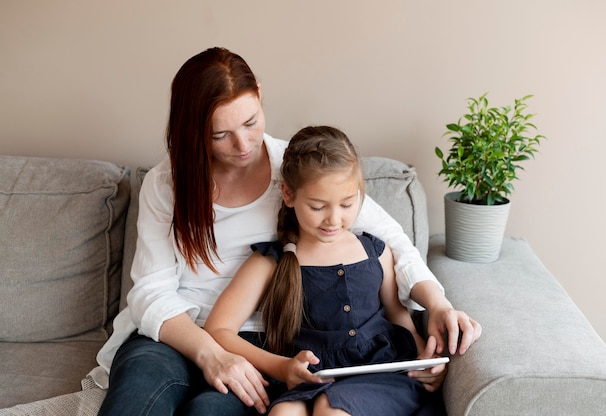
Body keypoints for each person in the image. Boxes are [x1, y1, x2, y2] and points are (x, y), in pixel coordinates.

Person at [93, 47, 481, 416]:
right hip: (174, 335)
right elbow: (151, 293)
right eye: (219, 135)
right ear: (193, 130)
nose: (243, 144)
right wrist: (211, 353)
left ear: (260, 96)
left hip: (259, 343)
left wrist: (438, 305)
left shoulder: (298, 172)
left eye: (250, 122)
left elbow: (392, 244)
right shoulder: (166, 185)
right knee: (135, 401)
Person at [205, 125, 448, 415]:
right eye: (318, 206)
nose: (334, 219)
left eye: (347, 203)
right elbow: (218, 329)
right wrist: (282, 367)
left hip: (379, 372)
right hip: (310, 375)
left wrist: (423, 358)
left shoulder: (375, 252)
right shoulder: (272, 261)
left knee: (330, 410)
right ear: (288, 194)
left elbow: (397, 314)